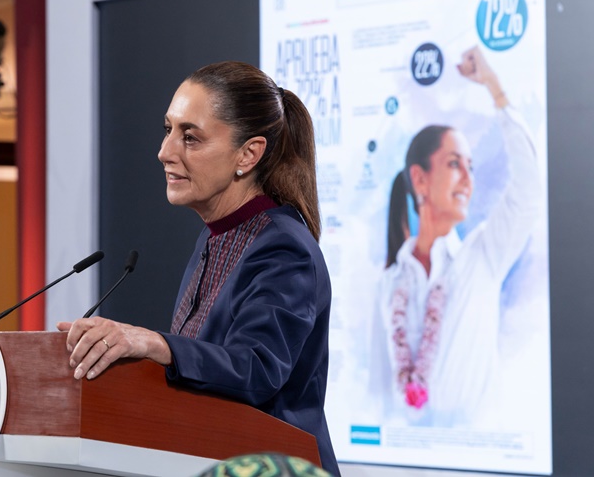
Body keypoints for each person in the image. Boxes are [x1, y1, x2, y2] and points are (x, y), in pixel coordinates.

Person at [57, 61, 340, 475]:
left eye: (189, 137)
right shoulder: (214, 237)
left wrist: (157, 345)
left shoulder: (283, 246)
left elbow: (258, 369)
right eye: (168, 130)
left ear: (248, 154)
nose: (165, 152)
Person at [369, 46, 542, 426]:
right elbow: (376, 394)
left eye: (471, 166)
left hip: (476, 447)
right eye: (454, 164)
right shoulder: (389, 283)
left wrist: (495, 89)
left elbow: (529, 189)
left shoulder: (483, 255)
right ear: (420, 179)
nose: (468, 179)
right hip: (401, 450)